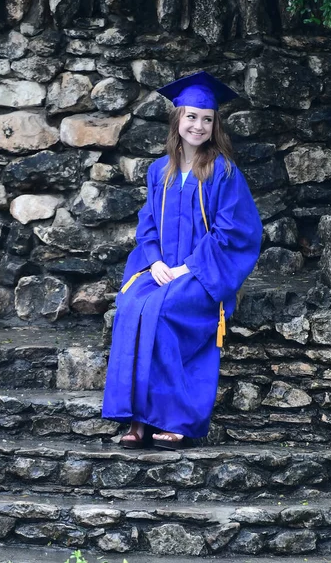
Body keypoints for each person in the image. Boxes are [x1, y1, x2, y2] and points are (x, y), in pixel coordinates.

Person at [102, 71, 263, 450]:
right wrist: (155, 261)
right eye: (191, 117)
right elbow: (147, 225)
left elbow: (234, 233)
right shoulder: (160, 170)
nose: (199, 125)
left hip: (203, 273)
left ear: (215, 125)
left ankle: (174, 420)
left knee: (166, 310)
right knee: (130, 306)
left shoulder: (223, 171)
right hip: (160, 269)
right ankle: (137, 418)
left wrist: (186, 268)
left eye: (207, 119)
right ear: (178, 119)